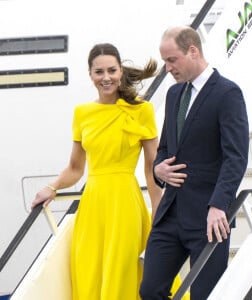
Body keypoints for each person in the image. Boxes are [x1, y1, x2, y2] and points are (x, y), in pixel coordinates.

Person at [31, 43, 163, 300]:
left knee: (121, 271)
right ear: (90, 74)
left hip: (125, 204)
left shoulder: (142, 110)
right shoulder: (82, 113)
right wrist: (51, 187)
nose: (106, 78)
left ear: (121, 71)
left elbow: (152, 168)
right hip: (92, 205)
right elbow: (75, 168)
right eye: (99, 72)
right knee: (90, 271)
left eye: (112, 70)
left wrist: (159, 210)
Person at [140, 26, 249, 300]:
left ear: (193, 51)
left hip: (209, 218)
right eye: (165, 61)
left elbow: (235, 157)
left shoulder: (227, 94)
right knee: (150, 290)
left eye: (172, 60)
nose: (167, 68)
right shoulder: (175, 94)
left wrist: (219, 205)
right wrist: (158, 169)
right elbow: (164, 148)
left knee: (206, 295)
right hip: (170, 215)